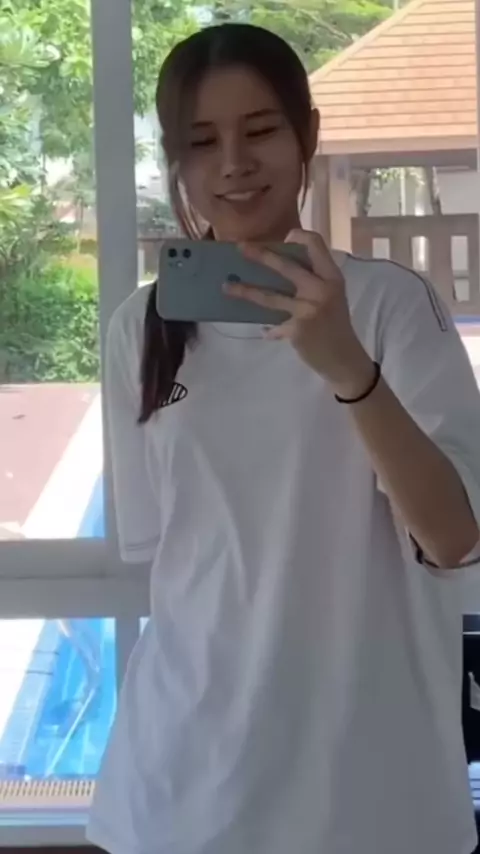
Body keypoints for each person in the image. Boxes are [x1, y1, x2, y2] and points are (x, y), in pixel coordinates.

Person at [87, 22, 480, 854]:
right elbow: (163, 550)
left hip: (369, 801)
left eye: (260, 130)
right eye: (202, 141)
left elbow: (455, 540)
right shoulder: (139, 330)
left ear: (308, 135)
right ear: (177, 161)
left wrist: (346, 366)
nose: (233, 162)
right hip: (182, 796)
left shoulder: (390, 307)